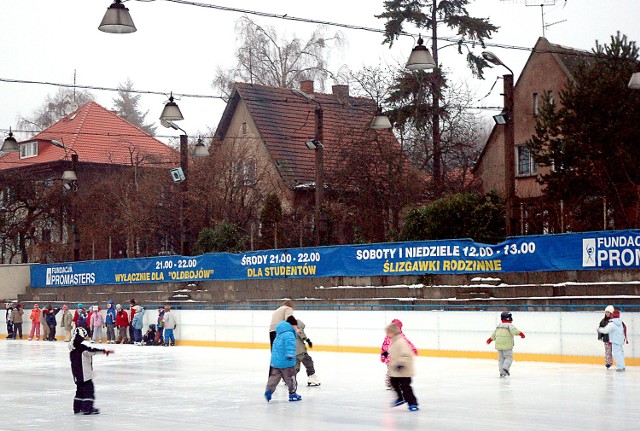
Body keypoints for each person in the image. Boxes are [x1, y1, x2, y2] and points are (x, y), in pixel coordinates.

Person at [69, 327, 114, 415]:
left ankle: (77, 408)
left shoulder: (73, 347)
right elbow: (92, 350)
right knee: (89, 390)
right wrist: (104, 351)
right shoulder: (83, 346)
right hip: (85, 373)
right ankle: (87, 408)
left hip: (76, 374)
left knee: (79, 391)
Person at [264, 316, 302, 403]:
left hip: (276, 362)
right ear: (292, 325)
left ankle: (269, 391)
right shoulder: (289, 334)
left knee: (274, 378)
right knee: (290, 378)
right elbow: (290, 345)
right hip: (287, 362)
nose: (297, 329)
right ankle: (293, 394)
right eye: (296, 327)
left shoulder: (279, 334)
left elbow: (275, 348)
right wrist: (290, 354)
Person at [386, 322, 419, 412]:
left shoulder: (401, 342)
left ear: (394, 332)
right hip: (396, 369)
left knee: (406, 387)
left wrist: (401, 363)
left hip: (405, 369)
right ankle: (400, 398)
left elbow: (408, 355)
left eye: (389, 332)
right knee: (393, 383)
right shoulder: (394, 341)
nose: (387, 335)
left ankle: (412, 403)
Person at [380, 318, 418, 390]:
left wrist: (413, 348)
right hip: (390, 358)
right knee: (390, 371)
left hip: (399, 357)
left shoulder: (401, 336)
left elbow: (407, 343)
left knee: (398, 371)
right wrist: (383, 355)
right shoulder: (388, 337)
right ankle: (390, 383)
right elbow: (385, 346)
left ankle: (397, 383)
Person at [486, 311, 525, 377]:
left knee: (501, 359)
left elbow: (494, 334)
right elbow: (514, 331)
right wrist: (521, 334)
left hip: (499, 346)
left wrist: (490, 339)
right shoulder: (509, 325)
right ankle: (505, 368)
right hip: (507, 346)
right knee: (509, 358)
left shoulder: (499, 326)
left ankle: (502, 372)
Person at [294, 318, 320, 386]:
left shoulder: (289, 331)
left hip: (292, 352)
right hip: (301, 351)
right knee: (309, 362)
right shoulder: (298, 329)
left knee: (295, 367)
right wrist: (308, 341)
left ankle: (290, 378)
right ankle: (312, 377)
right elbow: (302, 334)